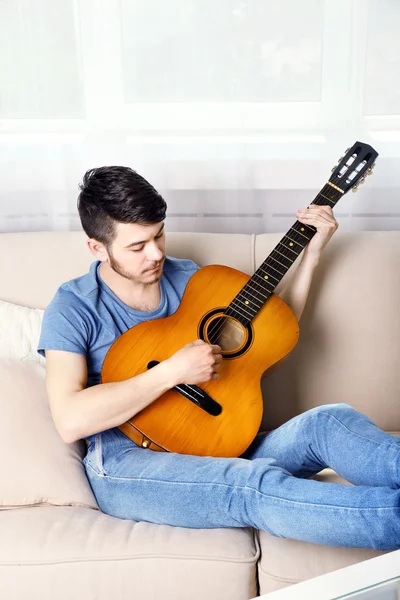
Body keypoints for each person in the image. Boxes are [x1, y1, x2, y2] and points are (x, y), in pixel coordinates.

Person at [38, 166, 400, 550]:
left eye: (159, 234)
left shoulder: (194, 280)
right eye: (137, 246)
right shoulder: (73, 306)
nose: (157, 253)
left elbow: (269, 333)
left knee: (329, 422)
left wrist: (311, 256)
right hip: (127, 460)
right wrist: (171, 373)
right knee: (250, 485)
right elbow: (69, 419)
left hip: (216, 439)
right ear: (97, 248)